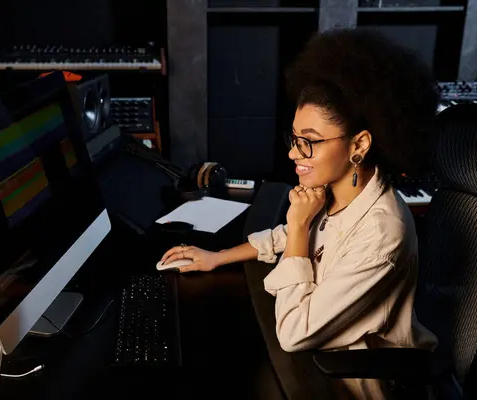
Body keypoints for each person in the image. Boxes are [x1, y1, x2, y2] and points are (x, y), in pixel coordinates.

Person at [161, 28, 438, 399]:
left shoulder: (383, 233)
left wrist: (297, 223)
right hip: (315, 351)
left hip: (349, 381)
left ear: (359, 144)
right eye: (294, 138)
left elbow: (293, 333)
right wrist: (216, 257)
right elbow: (290, 238)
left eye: (309, 141)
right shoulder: (339, 189)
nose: (294, 154)